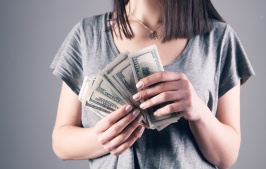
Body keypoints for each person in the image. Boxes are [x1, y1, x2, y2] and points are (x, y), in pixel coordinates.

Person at [50, 0, 255, 168]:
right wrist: (102, 138)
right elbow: (61, 143)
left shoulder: (218, 38)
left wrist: (198, 110)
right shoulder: (86, 35)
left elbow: (226, 156)